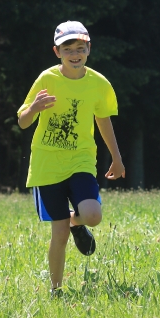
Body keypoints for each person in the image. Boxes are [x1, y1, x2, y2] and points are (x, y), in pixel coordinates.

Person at [18, 21, 125, 295]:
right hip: (47, 165)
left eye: (80, 48)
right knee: (59, 234)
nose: (74, 54)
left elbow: (103, 119)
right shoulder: (47, 79)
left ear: (89, 48)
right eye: (68, 49)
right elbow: (22, 121)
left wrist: (116, 157)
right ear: (57, 52)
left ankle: (75, 221)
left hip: (81, 160)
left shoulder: (99, 84)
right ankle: (56, 290)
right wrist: (34, 108)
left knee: (92, 215)